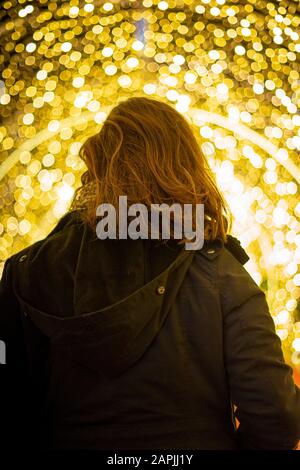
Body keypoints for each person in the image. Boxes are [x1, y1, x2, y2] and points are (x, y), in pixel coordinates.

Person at [0, 97, 299, 450]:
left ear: (96, 166)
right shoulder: (222, 273)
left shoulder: (28, 270)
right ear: (184, 167)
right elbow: (275, 415)